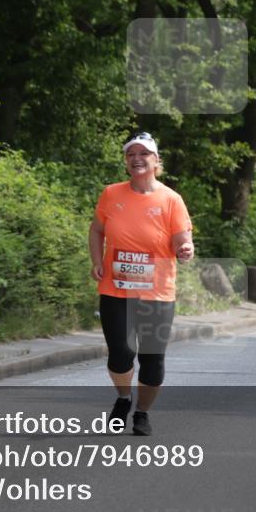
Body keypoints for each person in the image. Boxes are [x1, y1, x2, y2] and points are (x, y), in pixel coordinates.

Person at [89, 132, 194, 436]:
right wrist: (97, 261)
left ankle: (142, 413)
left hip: (156, 293)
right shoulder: (111, 194)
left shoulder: (171, 199)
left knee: (152, 361)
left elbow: (182, 241)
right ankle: (124, 397)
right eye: (131, 154)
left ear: (156, 160)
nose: (137, 159)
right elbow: (96, 230)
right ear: (126, 161)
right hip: (115, 288)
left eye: (144, 154)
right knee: (120, 353)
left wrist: (185, 250)